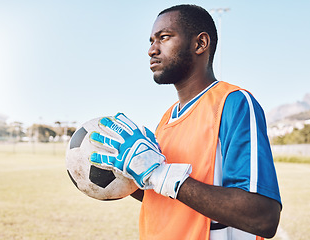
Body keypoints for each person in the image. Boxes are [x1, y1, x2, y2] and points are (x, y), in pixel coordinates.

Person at [90, 4, 281, 240]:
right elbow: (171, 196)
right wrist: (128, 176)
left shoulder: (234, 103)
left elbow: (263, 217)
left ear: (200, 44)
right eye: (151, 41)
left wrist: (159, 174)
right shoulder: (167, 118)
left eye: (164, 37)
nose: (152, 50)